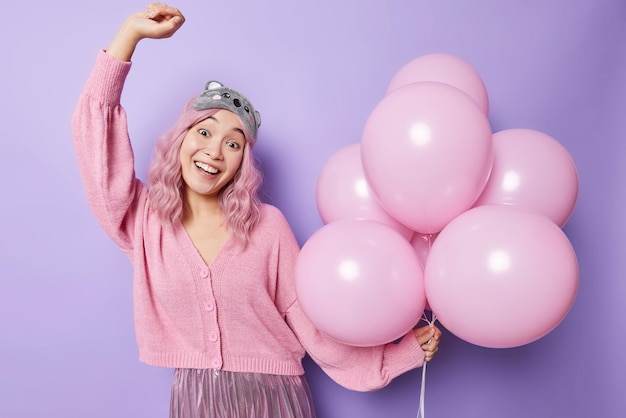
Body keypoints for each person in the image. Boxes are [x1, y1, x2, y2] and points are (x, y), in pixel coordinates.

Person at [71, 3, 442, 417]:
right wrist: (129, 36)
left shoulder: (268, 228)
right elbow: (96, 143)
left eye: (233, 143)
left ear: (242, 161)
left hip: (274, 398)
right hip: (196, 401)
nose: (214, 150)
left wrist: (394, 357)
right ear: (181, 139)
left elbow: (313, 324)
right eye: (205, 131)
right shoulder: (143, 222)